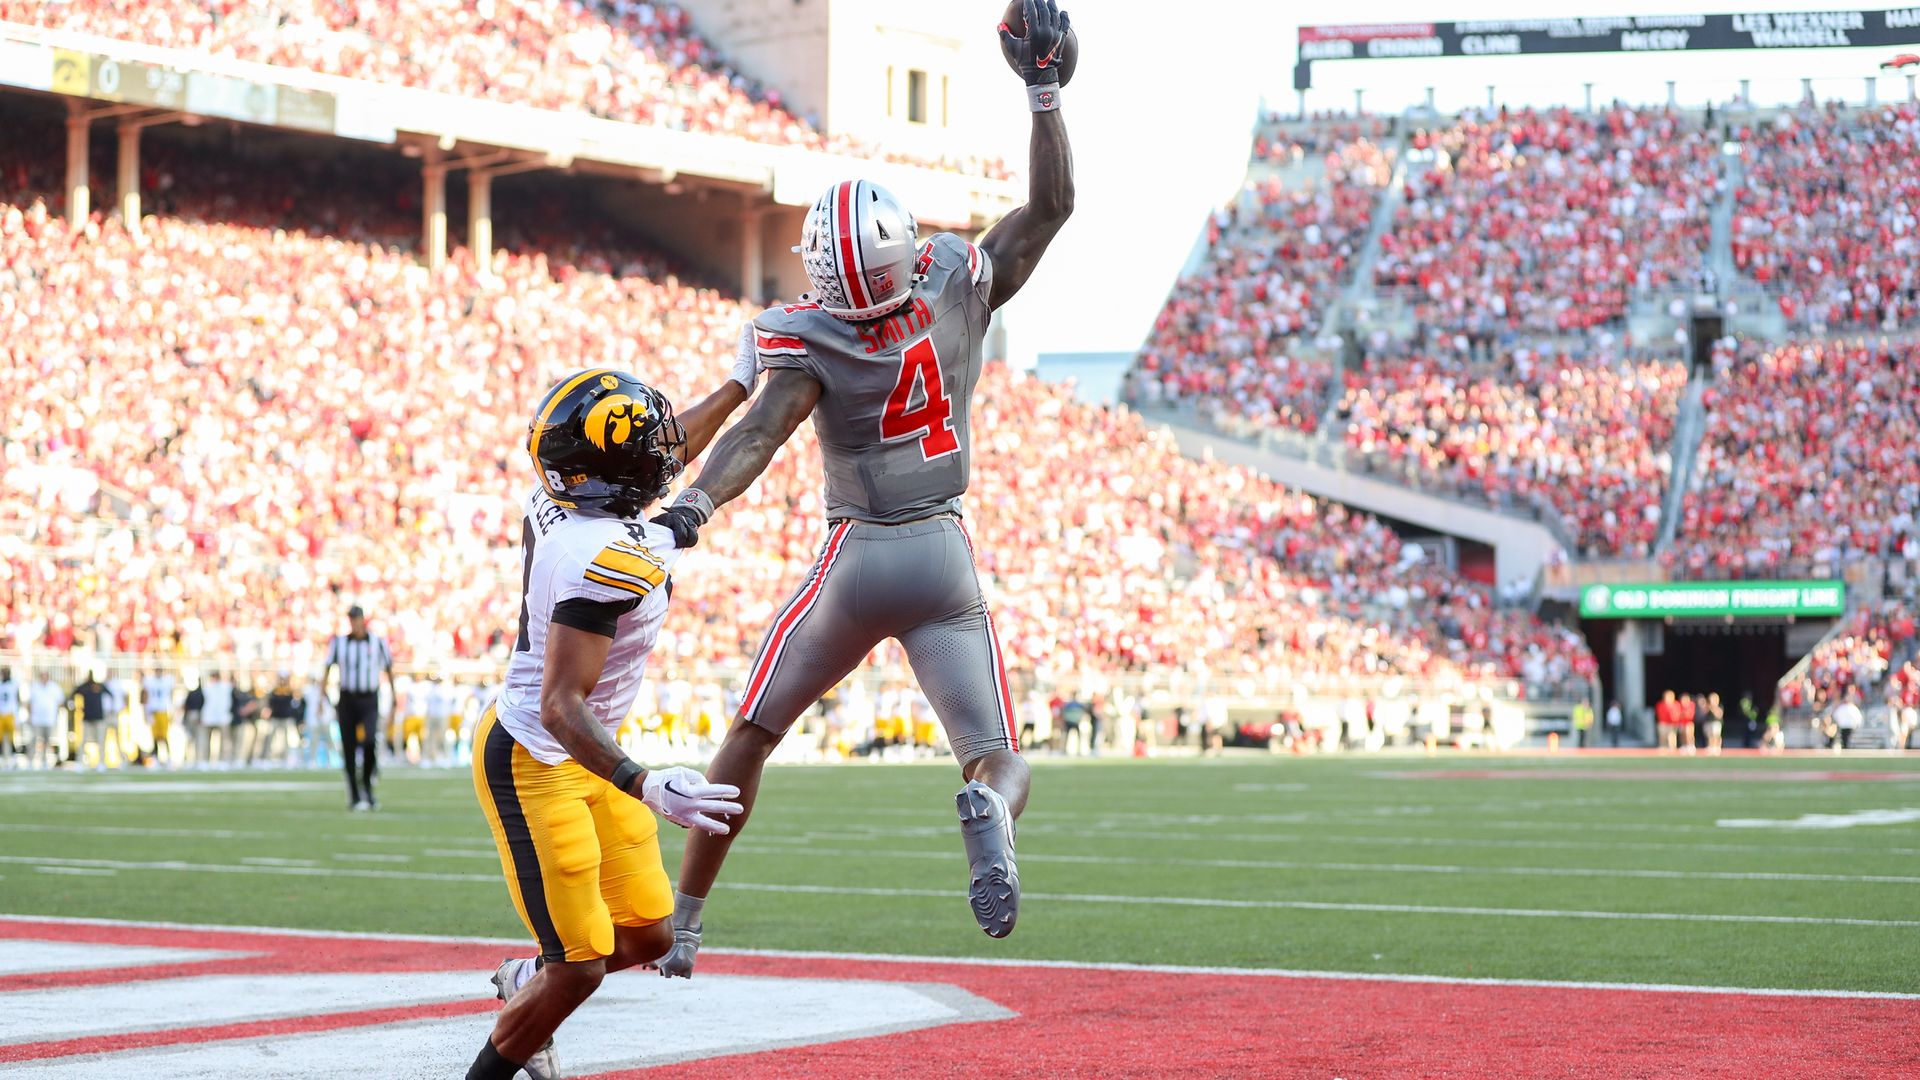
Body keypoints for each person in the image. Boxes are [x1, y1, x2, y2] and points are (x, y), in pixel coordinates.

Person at [651, 2, 1075, 968]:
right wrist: (1043, 96)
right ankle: (988, 808)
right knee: (995, 752)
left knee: (752, 737)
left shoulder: (813, 336)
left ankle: (686, 922)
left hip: (857, 557)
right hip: (943, 554)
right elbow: (1049, 209)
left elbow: (759, 431)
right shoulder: (955, 275)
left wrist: (691, 508)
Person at [464, 364, 749, 1080]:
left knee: (650, 932)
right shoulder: (602, 558)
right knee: (579, 968)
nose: (666, 453)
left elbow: (665, 454)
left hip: (585, 749)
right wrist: (647, 784)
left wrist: (743, 382)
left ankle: (524, 982)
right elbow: (563, 705)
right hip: (537, 755)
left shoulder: (561, 497)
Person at [322, 604, 395, 810]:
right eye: (351, 619)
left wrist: (395, 698)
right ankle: (354, 794)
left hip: (369, 698)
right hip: (347, 699)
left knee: (371, 740)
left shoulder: (377, 642)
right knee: (349, 748)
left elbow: (389, 669)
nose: (355, 623)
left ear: (363, 619)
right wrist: (322, 697)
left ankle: (367, 786)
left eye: (357, 618)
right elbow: (327, 668)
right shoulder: (339, 643)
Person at [72, 671, 112, 770]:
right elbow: (73, 694)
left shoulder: (99, 686)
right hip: (87, 718)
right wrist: (77, 707)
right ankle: (80, 762)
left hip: (99, 718)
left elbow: (110, 695)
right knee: (83, 741)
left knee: (101, 740)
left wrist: (107, 710)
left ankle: (101, 762)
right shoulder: (83, 687)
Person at [28, 671, 64, 769]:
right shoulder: (34, 686)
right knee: (34, 739)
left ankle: (44, 761)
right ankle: (30, 761)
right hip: (36, 718)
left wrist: (56, 714)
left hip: (49, 719)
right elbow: (30, 702)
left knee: (47, 741)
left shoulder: (54, 687)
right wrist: (30, 715)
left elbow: (60, 701)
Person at [144, 668, 179, 766]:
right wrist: (146, 711)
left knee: (164, 736)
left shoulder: (167, 681)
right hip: (154, 711)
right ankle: (155, 757)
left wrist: (173, 710)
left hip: (163, 711)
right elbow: (145, 695)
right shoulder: (149, 682)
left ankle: (168, 757)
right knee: (155, 737)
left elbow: (172, 694)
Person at [199, 671, 234, 768]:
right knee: (206, 740)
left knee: (224, 741)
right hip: (208, 717)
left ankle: (224, 760)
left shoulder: (226, 687)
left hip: (223, 717)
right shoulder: (207, 688)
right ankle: (204, 760)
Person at [0, 667, 18, 767]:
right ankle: (2, 758)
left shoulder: (14, 684)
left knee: (11, 739)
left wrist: (17, 714)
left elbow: (17, 699)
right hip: (1, 714)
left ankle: (13, 758)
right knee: (0, 739)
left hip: (10, 713)